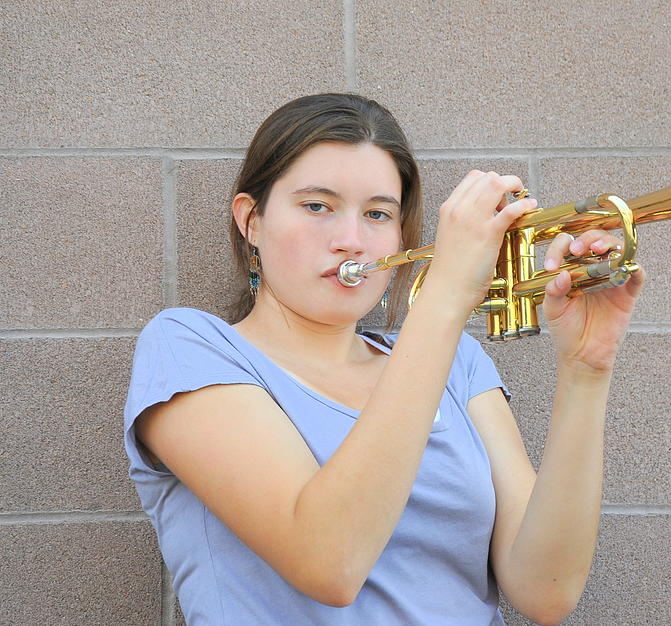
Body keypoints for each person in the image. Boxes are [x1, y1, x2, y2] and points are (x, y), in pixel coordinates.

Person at [124, 93, 644, 625]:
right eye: (317, 206)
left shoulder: (456, 361)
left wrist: (586, 371)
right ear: (251, 221)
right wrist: (444, 297)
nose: (352, 241)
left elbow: (545, 592)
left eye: (377, 214)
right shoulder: (190, 348)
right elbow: (329, 561)